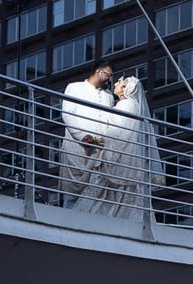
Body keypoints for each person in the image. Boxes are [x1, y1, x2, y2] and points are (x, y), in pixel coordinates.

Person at [71, 75, 163, 220]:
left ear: (126, 89)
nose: (116, 84)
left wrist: (97, 137)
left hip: (117, 159)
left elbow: (115, 131)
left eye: (120, 82)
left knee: (99, 191)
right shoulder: (132, 106)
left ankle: (80, 218)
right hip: (126, 160)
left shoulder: (126, 105)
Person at [58, 62, 115, 202]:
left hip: (98, 151)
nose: (109, 80)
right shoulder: (74, 87)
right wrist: (82, 137)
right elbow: (67, 114)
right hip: (76, 148)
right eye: (108, 75)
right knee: (71, 199)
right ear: (98, 71)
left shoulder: (109, 96)